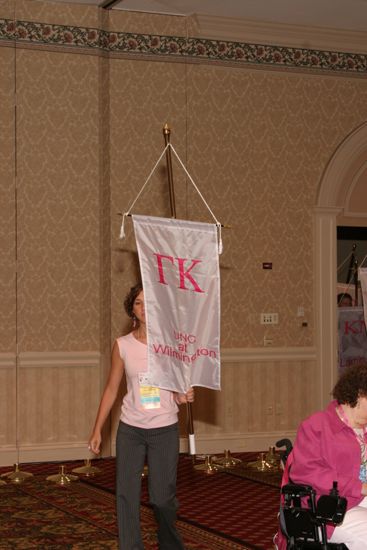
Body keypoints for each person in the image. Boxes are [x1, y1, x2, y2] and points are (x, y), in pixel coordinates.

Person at [89, 283, 194, 550]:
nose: (144, 307)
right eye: (138, 302)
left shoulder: (171, 345)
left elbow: (177, 389)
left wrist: (182, 396)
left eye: (149, 302)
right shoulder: (122, 345)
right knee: (126, 494)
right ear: (132, 309)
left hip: (164, 428)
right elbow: (112, 389)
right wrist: (97, 429)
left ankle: (170, 543)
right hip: (131, 429)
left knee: (161, 498)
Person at [275, 364, 367, 550]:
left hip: (359, 499)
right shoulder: (317, 426)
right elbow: (308, 473)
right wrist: (359, 487)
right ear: (358, 395)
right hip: (327, 507)